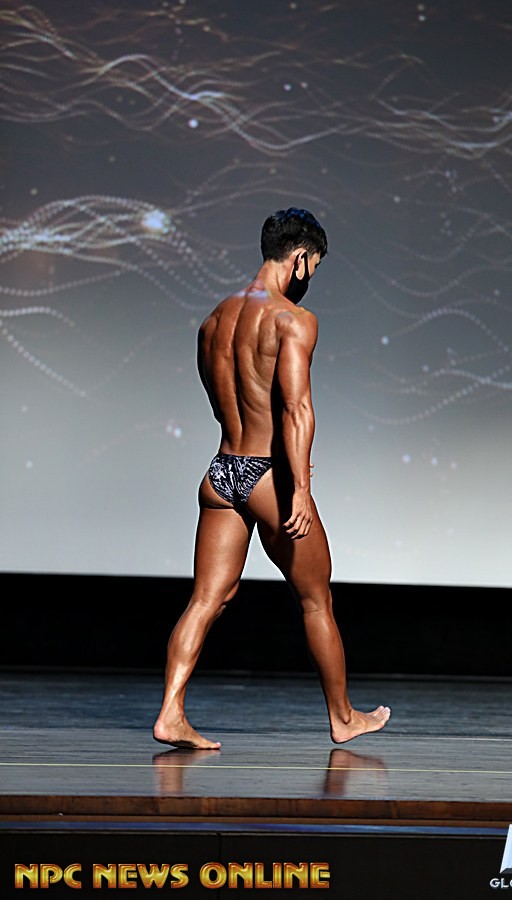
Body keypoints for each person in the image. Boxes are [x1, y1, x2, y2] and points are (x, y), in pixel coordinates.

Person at [153, 207, 391, 750]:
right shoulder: (292, 320)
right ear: (300, 259)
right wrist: (299, 487)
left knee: (206, 599)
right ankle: (343, 718)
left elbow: (226, 400)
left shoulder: (213, 321)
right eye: (315, 267)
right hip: (268, 477)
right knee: (316, 600)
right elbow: (295, 408)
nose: (311, 279)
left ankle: (170, 713)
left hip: (222, 471)